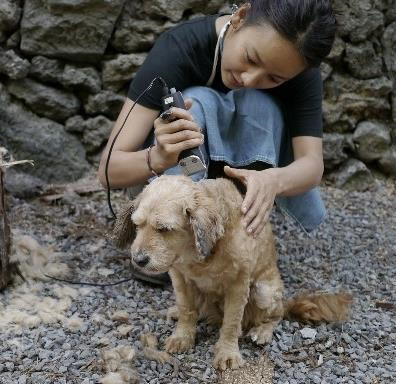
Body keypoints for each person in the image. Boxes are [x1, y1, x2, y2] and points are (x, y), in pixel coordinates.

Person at [98, 0, 336, 284]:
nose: (249, 78)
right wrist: (160, 156)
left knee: (262, 106)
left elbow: (311, 165)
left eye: (274, 78)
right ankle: (169, 243)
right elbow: (109, 170)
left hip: (237, 190)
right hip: (174, 181)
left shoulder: (300, 70)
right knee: (197, 102)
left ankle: (231, 240)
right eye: (251, 58)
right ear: (240, 16)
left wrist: (275, 180)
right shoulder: (179, 49)